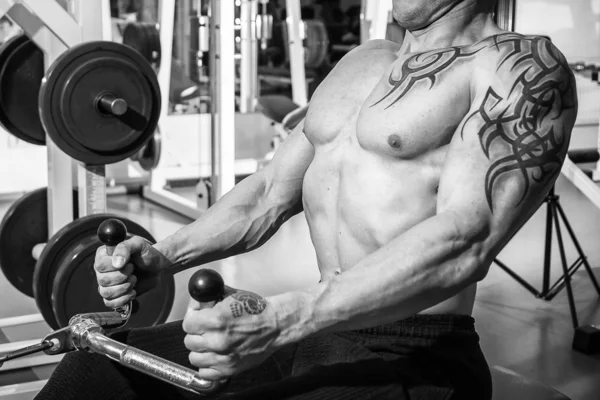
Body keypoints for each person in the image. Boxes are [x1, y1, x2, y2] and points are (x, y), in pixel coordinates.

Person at [36, 0, 577, 399]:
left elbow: (466, 237)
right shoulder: (364, 61)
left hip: (414, 354)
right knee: (92, 377)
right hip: (316, 332)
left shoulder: (516, 67)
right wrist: (163, 255)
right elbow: (270, 191)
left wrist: (282, 320)